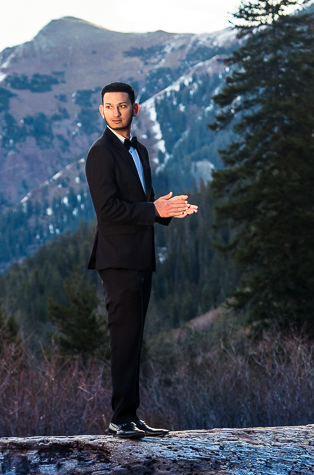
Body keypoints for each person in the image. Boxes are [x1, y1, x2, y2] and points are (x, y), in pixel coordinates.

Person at [85, 81, 197, 439]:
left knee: (134, 338)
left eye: (122, 106)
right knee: (123, 337)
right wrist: (154, 208)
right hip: (117, 259)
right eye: (109, 106)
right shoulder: (99, 153)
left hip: (141, 258)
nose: (116, 111)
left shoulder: (141, 151)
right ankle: (120, 418)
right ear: (100, 111)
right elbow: (108, 210)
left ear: (136, 109)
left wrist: (167, 211)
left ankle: (130, 415)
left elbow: (144, 201)